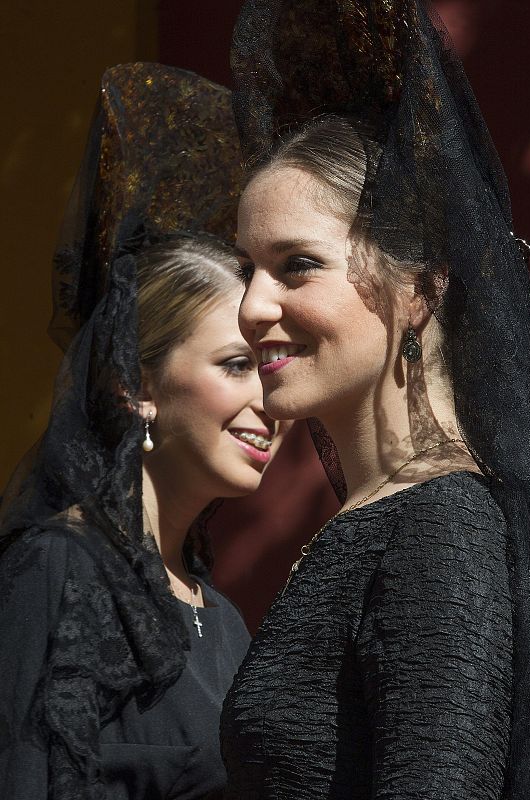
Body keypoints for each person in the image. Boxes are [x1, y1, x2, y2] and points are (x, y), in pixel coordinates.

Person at [220, 1, 530, 798]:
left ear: (420, 291)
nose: (252, 307)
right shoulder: (379, 515)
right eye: (246, 268)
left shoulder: (438, 523)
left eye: (296, 266)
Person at [0, 63, 277, 799]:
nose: (270, 400)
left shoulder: (222, 620)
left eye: (270, 366)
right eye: (235, 364)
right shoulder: (60, 569)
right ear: (136, 385)